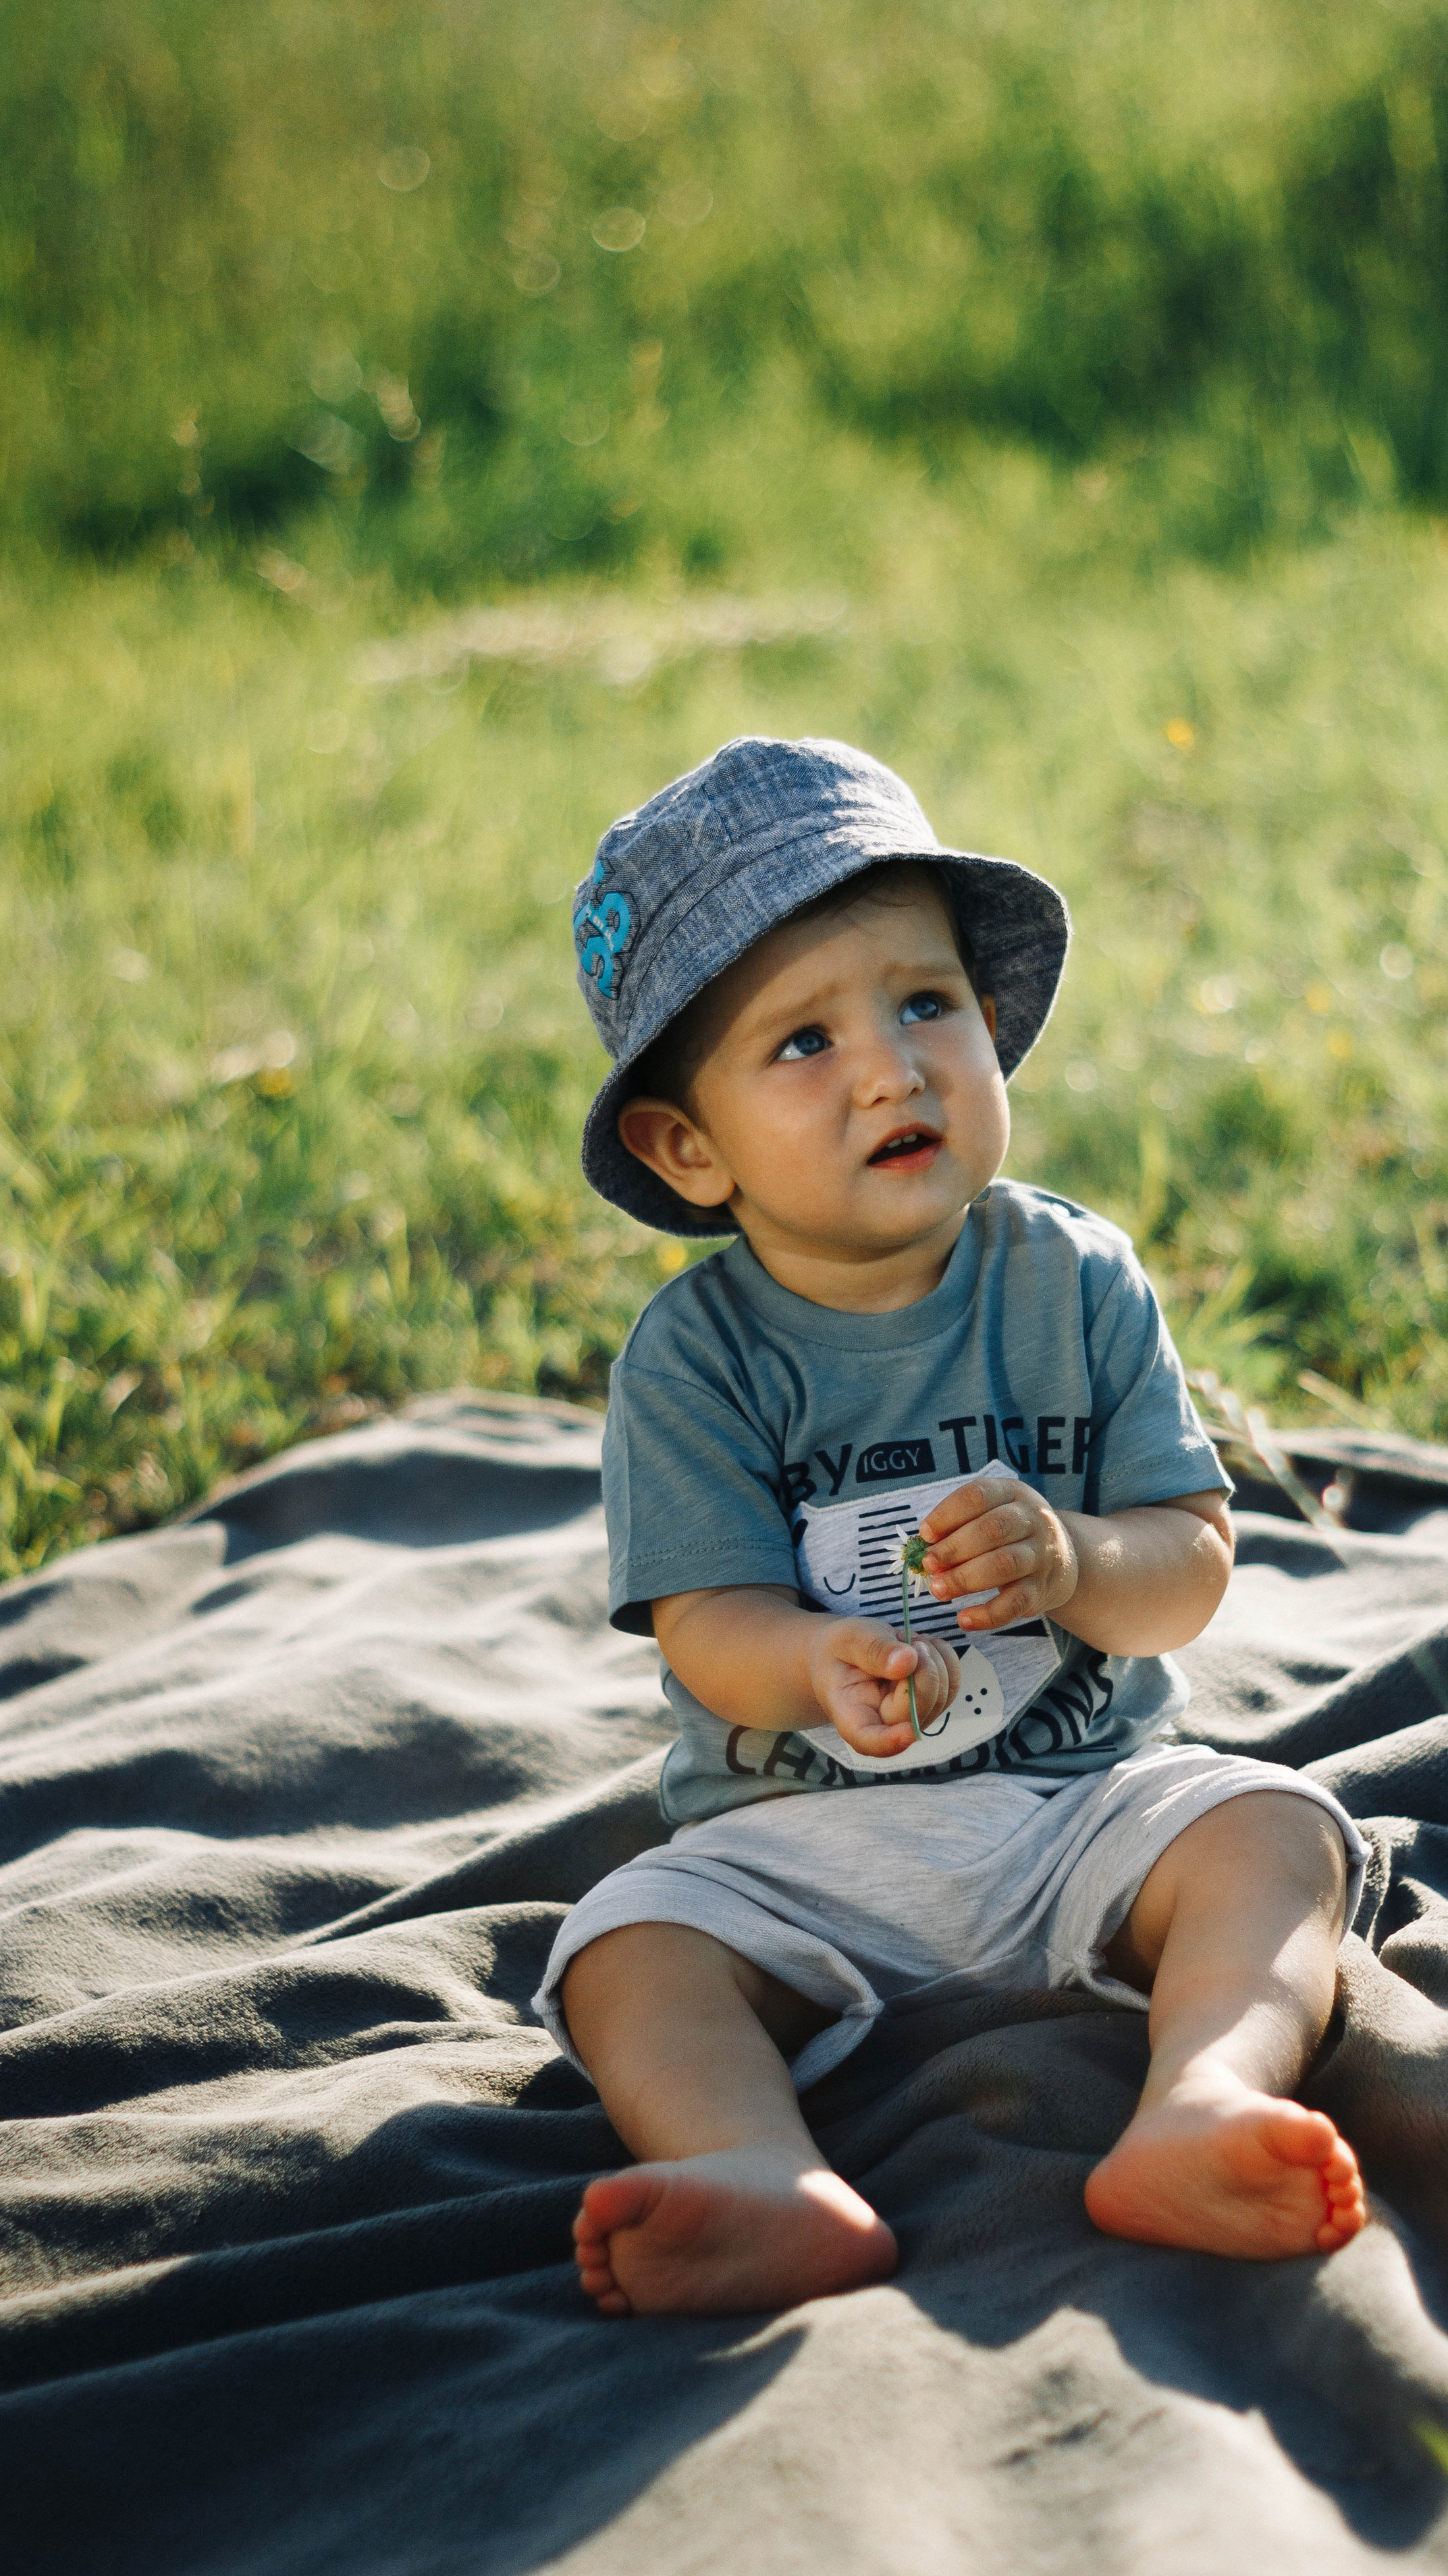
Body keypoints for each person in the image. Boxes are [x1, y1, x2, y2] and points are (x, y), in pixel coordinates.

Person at [533, 736, 1368, 2317]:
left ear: (987, 1021)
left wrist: (1075, 1558)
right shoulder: (696, 1361)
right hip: (794, 1843)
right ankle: (754, 2173)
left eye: (923, 1003)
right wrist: (814, 1663)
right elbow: (707, 1630)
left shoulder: (1075, 1282)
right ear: (686, 1146)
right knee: (624, 1947)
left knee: (1272, 1832)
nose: (888, 1071)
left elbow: (1188, 1567)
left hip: (1079, 1806)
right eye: (801, 1040)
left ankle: (1202, 2099)